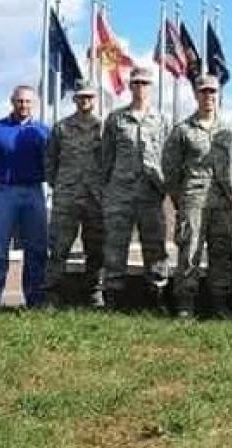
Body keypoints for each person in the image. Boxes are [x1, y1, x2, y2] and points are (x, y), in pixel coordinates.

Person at [163, 74, 232, 318]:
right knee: (190, 250)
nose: (209, 96)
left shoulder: (226, 131)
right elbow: (170, 169)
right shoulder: (182, 130)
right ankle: (186, 304)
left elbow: (231, 167)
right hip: (193, 199)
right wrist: (180, 198)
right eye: (204, 91)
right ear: (196, 95)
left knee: (222, 251)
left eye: (213, 92)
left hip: (222, 200)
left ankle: (220, 303)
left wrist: (231, 195)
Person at [0, 85, 49, 311]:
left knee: (36, 248)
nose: (23, 106)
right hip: (3, 193)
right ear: (12, 101)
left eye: (27, 101)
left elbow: (50, 164)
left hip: (34, 192)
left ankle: (35, 300)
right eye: (19, 101)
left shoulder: (44, 132)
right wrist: (2, 180)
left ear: (33, 103)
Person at [101, 66, 168, 310]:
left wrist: (163, 186)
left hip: (150, 193)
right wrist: (107, 190)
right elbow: (106, 158)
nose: (141, 88)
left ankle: (156, 296)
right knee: (115, 245)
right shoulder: (116, 119)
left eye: (145, 83)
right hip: (120, 192)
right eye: (137, 83)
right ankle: (113, 298)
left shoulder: (160, 120)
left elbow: (166, 157)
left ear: (151, 87)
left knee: (155, 246)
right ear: (130, 87)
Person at [44, 80, 104, 307]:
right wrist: (60, 184)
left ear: (94, 99)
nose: (85, 100)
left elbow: (109, 161)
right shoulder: (61, 128)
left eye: (89, 96)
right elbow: (50, 160)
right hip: (67, 197)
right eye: (81, 97)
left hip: (95, 197)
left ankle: (94, 293)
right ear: (75, 99)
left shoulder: (103, 128)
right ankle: (51, 294)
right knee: (59, 247)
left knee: (96, 248)